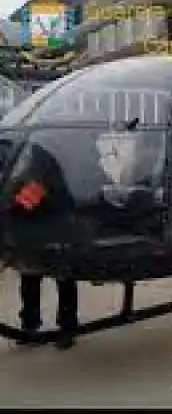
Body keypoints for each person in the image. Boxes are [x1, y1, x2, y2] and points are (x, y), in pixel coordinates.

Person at [10, 143, 79, 350]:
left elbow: (60, 198)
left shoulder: (49, 166)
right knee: (32, 279)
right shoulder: (31, 158)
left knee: (61, 278)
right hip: (35, 228)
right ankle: (34, 324)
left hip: (55, 226)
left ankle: (64, 327)